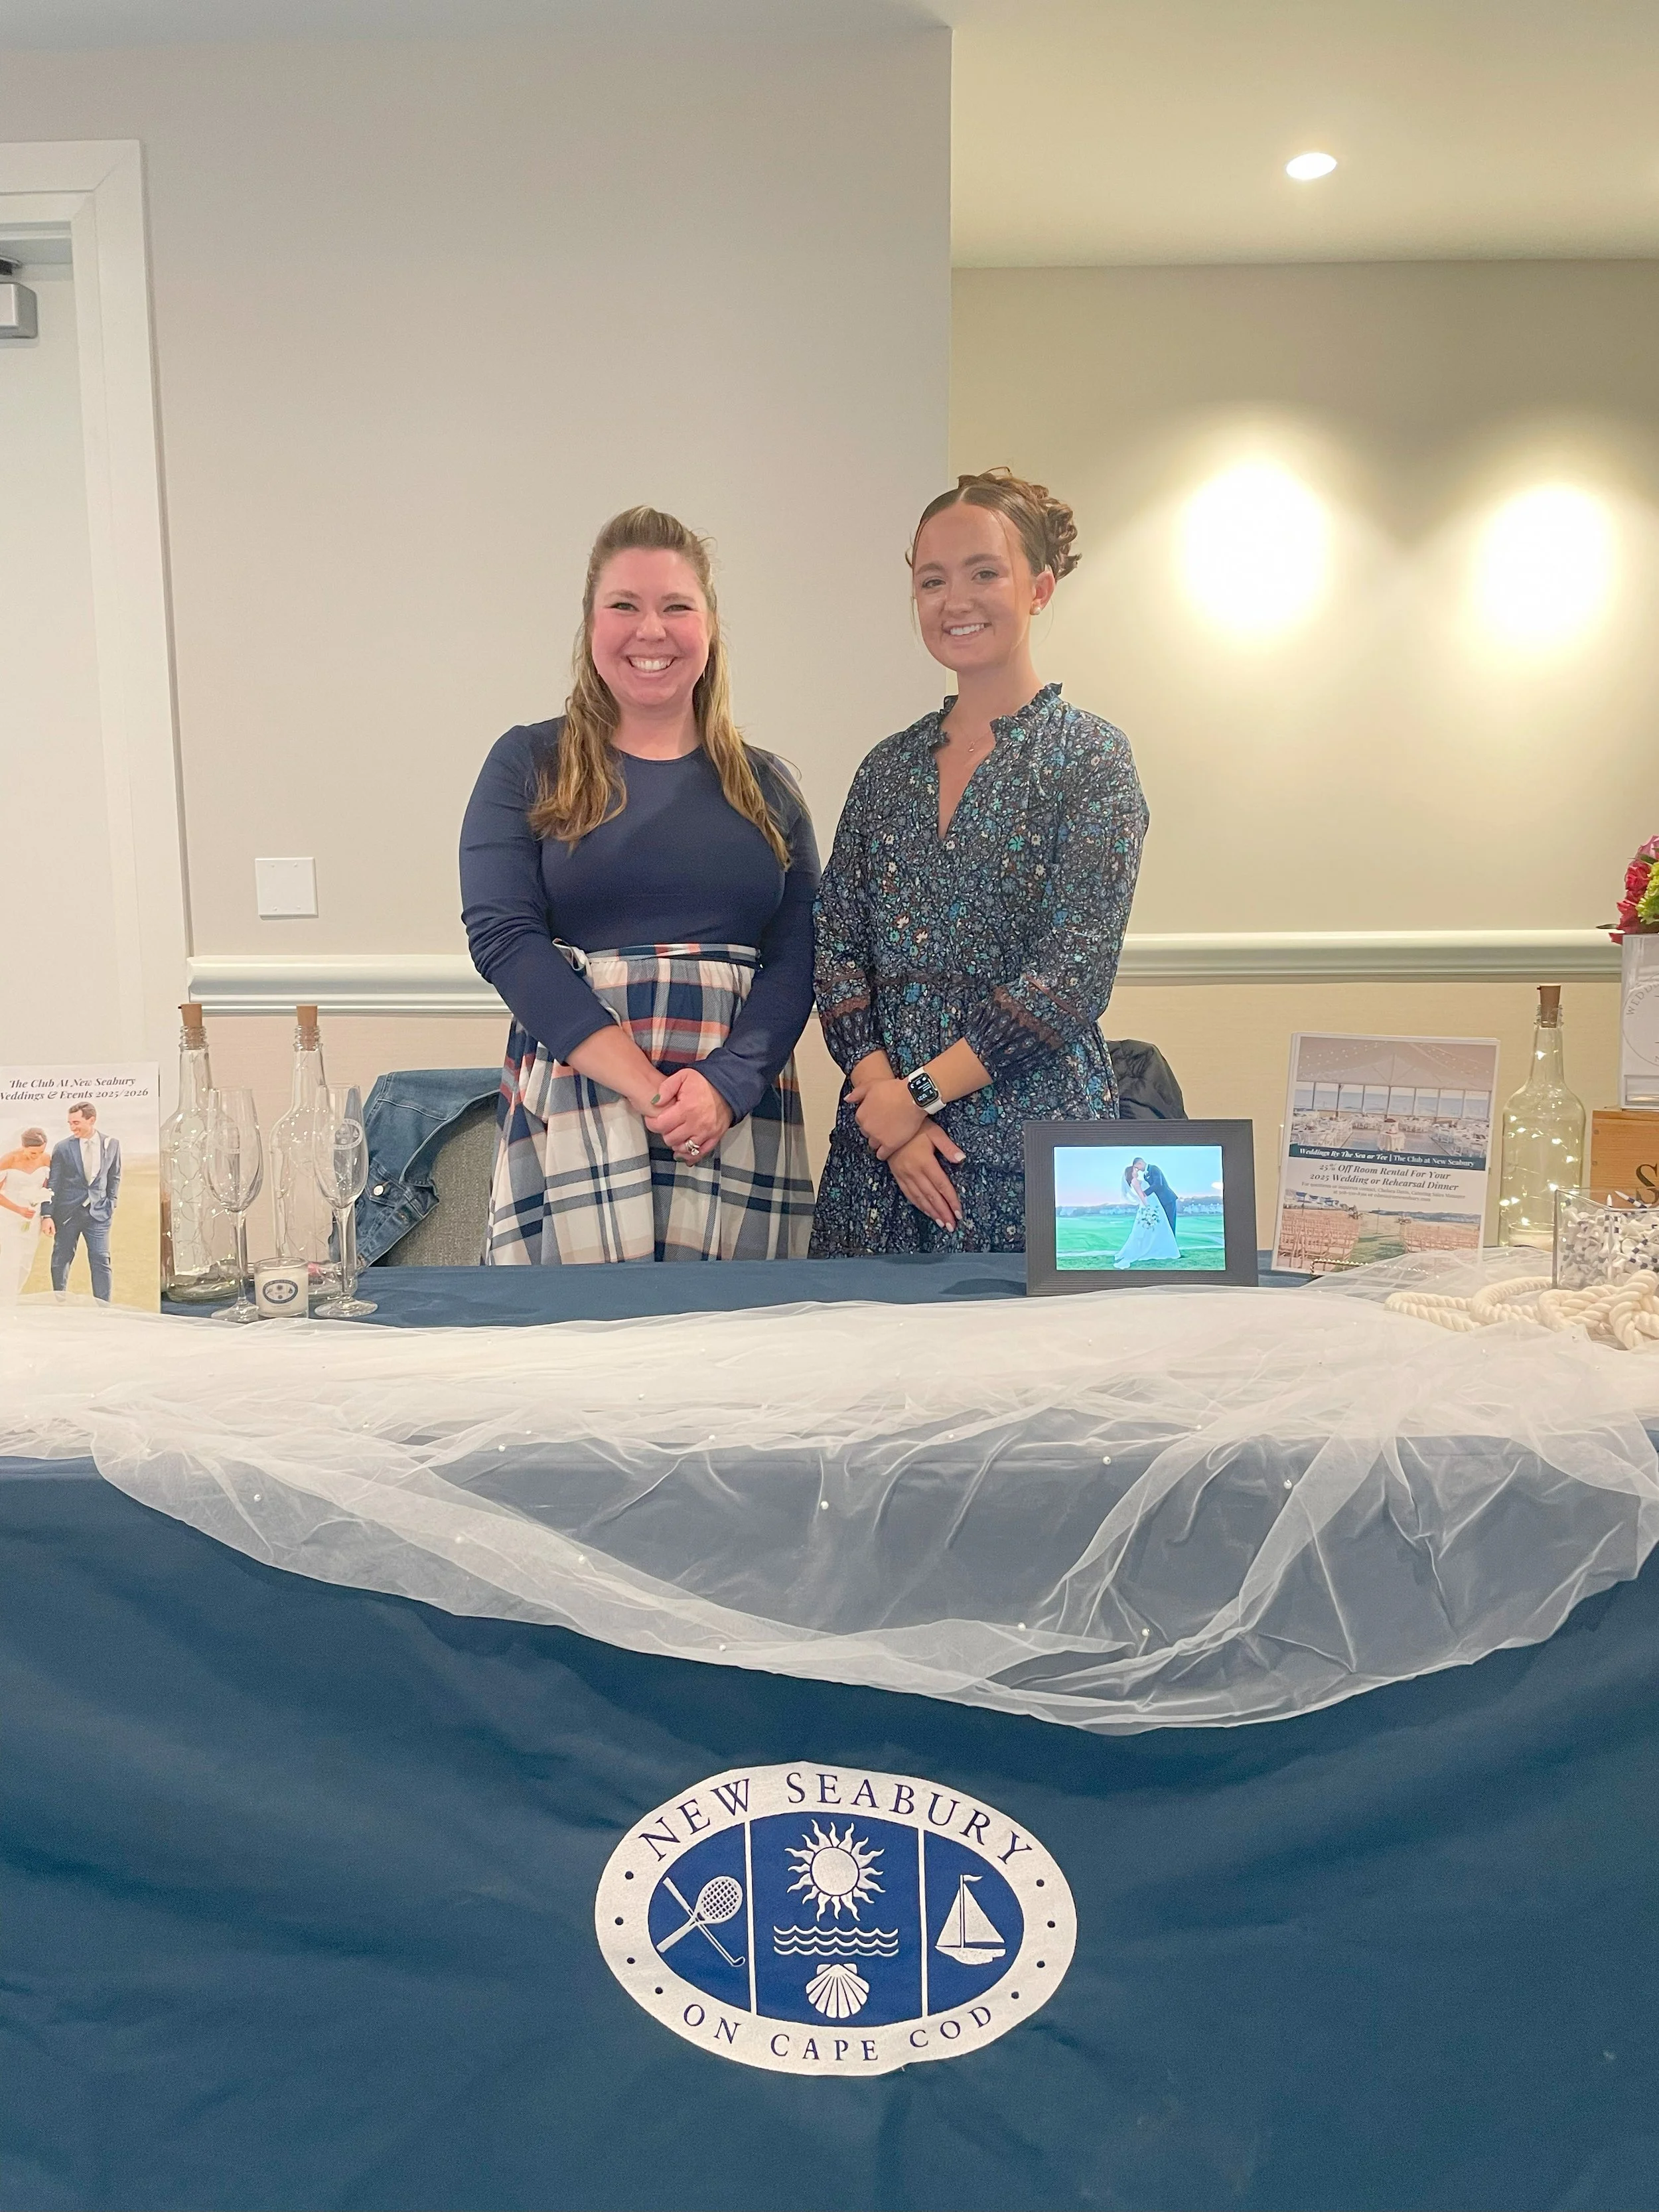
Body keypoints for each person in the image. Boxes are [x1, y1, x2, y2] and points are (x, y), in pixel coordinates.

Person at [461, 506, 819, 1264]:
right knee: (579, 1362)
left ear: (710, 625)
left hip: (734, 1112)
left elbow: (800, 956)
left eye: (676, 606)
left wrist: (722, 1087)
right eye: (623, 606)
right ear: (590, 625)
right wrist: (650, 1090)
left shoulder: (768, 786)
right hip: (581, 1100)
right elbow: (504, 937)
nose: (649, 631)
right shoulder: (527, 761)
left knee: (736, 1360)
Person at [811, 468, 1148, 1254]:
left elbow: (1071, 977)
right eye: (932, 581)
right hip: (880, 1167)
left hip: (1028, 1158)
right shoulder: (885, 769)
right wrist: (886, 1111)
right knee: (859, 1375)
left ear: (1039, 588)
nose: (954, 600)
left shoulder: (1090, 758)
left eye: (983, 573)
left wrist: (917, 1096)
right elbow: (834, 948)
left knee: (1030, 1379)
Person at [43, 1102, 122, 1301]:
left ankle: (104, 1308)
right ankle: (59, 1302)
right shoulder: (62, 1148)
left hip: (99, 1213)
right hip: (68, 1213)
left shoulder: (112, 1144)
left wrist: (111, 1202)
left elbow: (114, 1176)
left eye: (76, 1122)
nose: (72, 1128)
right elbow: (53, 1183)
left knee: (101, 1260)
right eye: (70, 1123)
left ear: (92, 1120)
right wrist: (47, 1214)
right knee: (61, 1259)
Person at [0, 1128, 50, 1297]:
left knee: (26, 1261)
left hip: (33, 1217)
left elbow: (48, 1186)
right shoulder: (8, 1160)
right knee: (11, 1260)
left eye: (41, 1151)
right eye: (33, 1153)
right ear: (23, 1146)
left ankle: (15, 1295)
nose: (38, 1156)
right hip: (10, 1216)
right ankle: (5, 1300)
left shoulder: (46, 1159)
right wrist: (18, 1209)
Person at [1114, 1157, 1180, 1268]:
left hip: (1167, 1199)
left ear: (1140, 1163)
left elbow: (1158, 1185)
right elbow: (1143, 1194)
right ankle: (1165, 1249)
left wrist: (1144, 1194)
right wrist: (1146, 1203)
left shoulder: (1154, 1169)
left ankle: (1170, 1248)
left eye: (1137, 1167)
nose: (1137, 1170)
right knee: (1163, 1227)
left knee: (1169, 1225)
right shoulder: (1140, 1179)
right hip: (1154, 1204)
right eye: (1135, 1169)